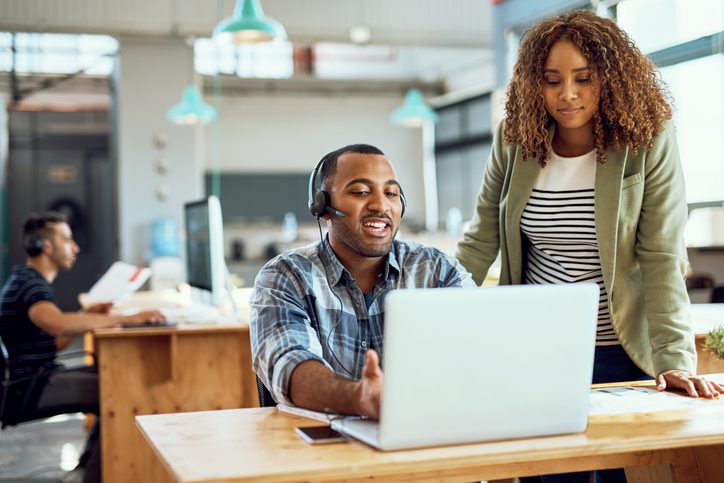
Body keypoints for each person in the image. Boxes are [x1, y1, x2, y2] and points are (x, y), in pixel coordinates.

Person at [455, 9, 722, 483]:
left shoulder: (647, 140)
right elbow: (480, 241)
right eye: (552, 80)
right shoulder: (513, 140)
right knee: (552, 474)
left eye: (583, 78)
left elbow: (661, 257)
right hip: (538, 345)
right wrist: (435, 323)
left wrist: (674, 362)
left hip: (620, 345)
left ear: (611, 78)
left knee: (620, 471)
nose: (568, 94)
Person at [250, 144, 475, 419]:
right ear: (323, 206)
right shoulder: (286, 276)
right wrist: (361, 398)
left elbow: (479, 349)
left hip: (422, 432)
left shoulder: (437, 270)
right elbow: (289, 366)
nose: (381, 205)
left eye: (391, 193)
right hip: (320, 446)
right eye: (361, 192)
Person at [0, 212, 165, 483]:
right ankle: (95, 476)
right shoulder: (29, 286)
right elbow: (57, 325)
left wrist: (86, 313)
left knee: (114, 378)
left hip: (31, 379)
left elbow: (53, 341)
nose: (75, 247)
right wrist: (126, 318)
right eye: (67, 239)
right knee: (120, 391)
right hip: (28, 389)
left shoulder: (27, 281)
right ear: (45, 245)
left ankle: (88, 471)